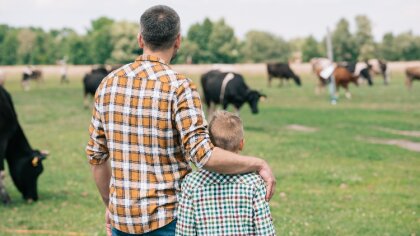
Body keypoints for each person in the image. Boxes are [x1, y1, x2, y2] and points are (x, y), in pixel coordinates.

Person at [85, 5, 275, 236]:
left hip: (121, 221)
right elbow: (203, 154)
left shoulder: (108, 84)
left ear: (140, 39)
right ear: (178, 41)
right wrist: (258, 164)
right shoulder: (180, 87)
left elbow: (97, 157)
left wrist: (111, 205)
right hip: (170, 221)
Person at [176, 111, 276, 235]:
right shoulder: (255, 183)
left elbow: (185, 232)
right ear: (241, 144)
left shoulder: (191, 183)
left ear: (210, 144)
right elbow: (265, 232)